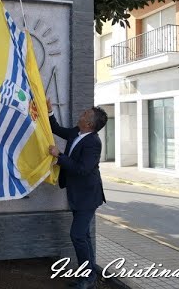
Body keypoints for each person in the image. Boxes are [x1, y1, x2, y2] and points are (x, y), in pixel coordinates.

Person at [47, 100, 108, 289]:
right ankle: (89, 275)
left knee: (77, 235)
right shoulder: (77, 132)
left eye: (84, 115)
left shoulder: (93, 143)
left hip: (88, 197)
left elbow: (82, 169)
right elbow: (57, 129)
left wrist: (60, 157)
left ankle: (87, 278)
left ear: (89, 124)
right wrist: (49, 112)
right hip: (77, 194)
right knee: (84, 236)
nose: (80, 115)